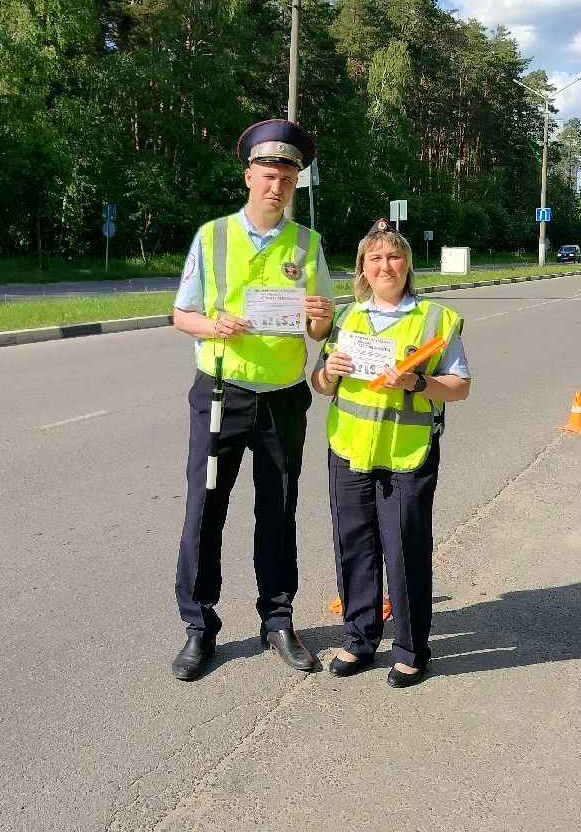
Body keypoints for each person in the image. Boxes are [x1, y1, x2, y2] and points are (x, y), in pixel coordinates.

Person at [169, 119, 337, 682]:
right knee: (205, 509)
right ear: (249, 176)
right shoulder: (213, 236)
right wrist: (212, 325)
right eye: (268, 175)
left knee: (279, 510)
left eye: (287, 178)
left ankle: (278, 619)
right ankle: (199, 626)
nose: (277, 186)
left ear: (295, 184)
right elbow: (181, 315)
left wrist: (321, 320)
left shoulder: (308, 244)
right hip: (221, 395)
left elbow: (319, 329)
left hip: (283, 399)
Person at [310, 218, 471, 688]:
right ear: (363, 267)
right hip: (349, 450)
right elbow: (320, 384)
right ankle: (360, 639)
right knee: (354, 547)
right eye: (375, 258)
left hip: (406, 454)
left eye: (394, 256)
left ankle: (411, 649)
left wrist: (417, 382)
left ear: (408, 265)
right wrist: (330, 372)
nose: (385, 265)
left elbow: (460, 387)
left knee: (405, 552)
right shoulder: (347, 318)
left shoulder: (435, 319)